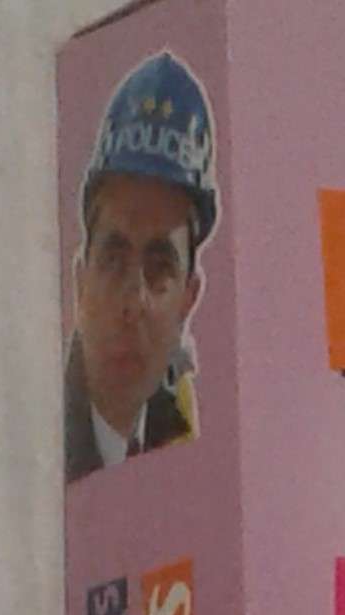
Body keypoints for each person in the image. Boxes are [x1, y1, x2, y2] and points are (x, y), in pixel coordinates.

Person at [65, 51, 219, 483]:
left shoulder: (182, 443)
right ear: (80, 282)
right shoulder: (36, 430)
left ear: (189, 299)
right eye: (113, 261)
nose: (133, 302)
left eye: (159, 267)